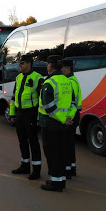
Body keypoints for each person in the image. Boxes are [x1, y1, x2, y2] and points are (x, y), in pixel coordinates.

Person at [39, 55, 76, 192]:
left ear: (49, 67)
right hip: (64, 124)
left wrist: (61, 119)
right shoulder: (67, 82)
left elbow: (48, 107)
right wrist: (68, 118)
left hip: (51, 124)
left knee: (52, 153)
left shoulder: (49, 83)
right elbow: (73, 104)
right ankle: (61, 180)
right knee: (60, 152)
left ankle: (55, 183)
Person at [9, 55, 44, 180]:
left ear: (29, 64)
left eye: (22, 63)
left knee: (33, 141)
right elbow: (14, 97)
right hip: (20, 113)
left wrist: (39, 118)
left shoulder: (38, 78)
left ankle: (36, 170)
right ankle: (25, 165)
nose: (20, 65)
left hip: (31, 113)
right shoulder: (18, 77)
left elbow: (42, 100)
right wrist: (12, 113)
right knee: (22, 140)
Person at [62, 59, 81, 179]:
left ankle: (68, 171)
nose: (61, 71)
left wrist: (68, 117)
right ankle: (72, 168)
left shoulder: (70, 82)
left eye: (62, 68)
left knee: (67, 145)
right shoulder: (74, 80)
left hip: (71, 116)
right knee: (70, 144)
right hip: (74, 115)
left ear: (67, 69)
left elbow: (72, 103)